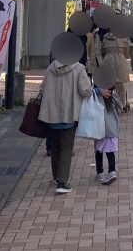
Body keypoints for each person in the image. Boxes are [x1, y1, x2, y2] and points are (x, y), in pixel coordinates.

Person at [38, 55, 92, 194]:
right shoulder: (79, 68)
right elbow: (85, 90)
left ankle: (56, 177)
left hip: (52, 114)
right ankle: (62, 182)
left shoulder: (51, 68)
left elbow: (42, 88)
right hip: (70, 113)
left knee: (56, 146)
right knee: (67, 147)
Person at [94, 85, 122, 185]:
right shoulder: (112, 91)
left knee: (98, 149)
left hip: (99, 126)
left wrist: (96, 91)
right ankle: (112, 171)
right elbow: (120, 107)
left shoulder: (95, 93)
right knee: (110, 150)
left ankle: (99, 172)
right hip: (111, 126)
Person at [101, 31, 131, 112]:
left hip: (107, 61)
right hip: (120, 61)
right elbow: (127, 52)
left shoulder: (105, 38)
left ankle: (108, 104)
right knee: (120, 86)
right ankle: (122, 104)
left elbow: (102, 52)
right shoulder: (123, 38)